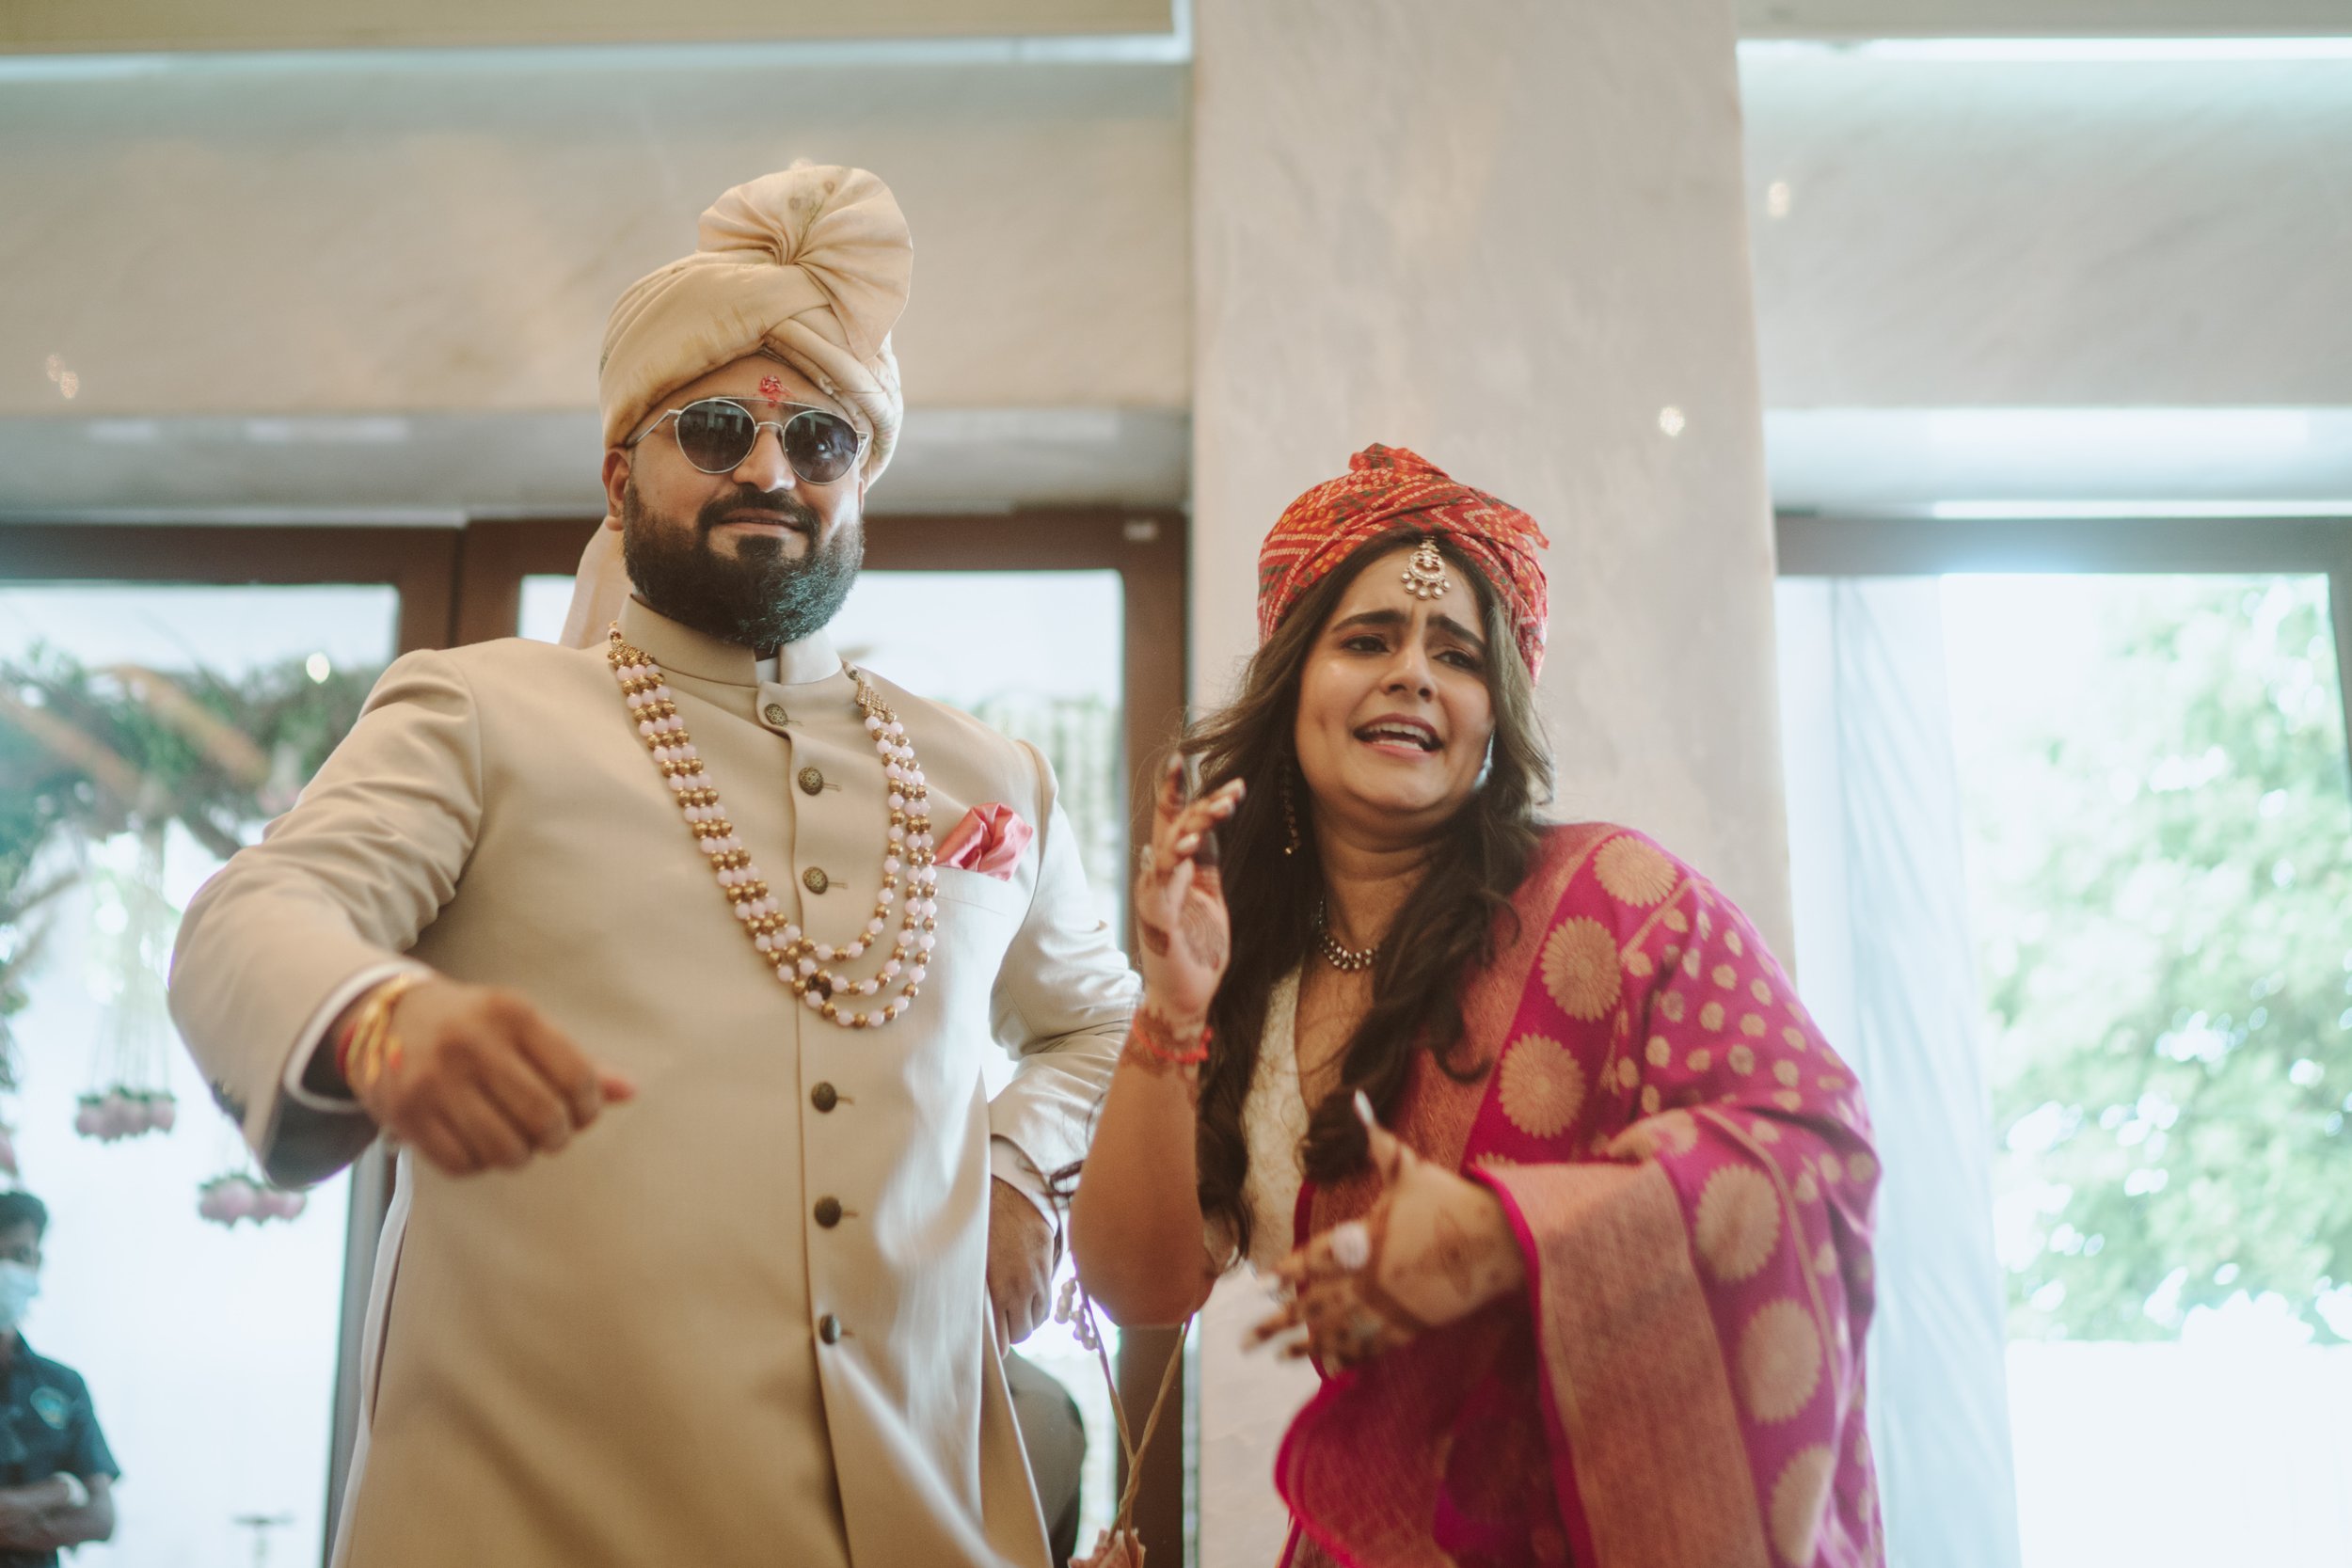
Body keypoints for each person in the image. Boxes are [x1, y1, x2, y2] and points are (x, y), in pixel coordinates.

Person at [168, 165, 1135, 1568]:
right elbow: (255, 909)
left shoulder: (992, 775)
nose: (770, 470)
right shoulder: (482, 712)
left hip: (921, 1513)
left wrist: (1018, 1160)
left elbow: (1101, 1016)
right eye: (717, 426)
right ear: (621, 473)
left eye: (819, 436)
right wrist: (382, 1019)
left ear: (860, 480)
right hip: (537, 1518)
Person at [1071, 446, 1884, 1567]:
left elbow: (1814, 1150)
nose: (1412, 673)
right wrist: (1169, 1003)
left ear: (1494, 713)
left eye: (1455, 654)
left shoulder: (1619, 909)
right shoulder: (1246, 969)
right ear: (1291, 682)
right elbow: (1143, 1283)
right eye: (1367, 639)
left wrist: (1509, 1237)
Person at [0, 1193, 117, 1567]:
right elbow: (83, 1499)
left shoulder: (63, 1386)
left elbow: (102, 1517)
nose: (7, 1269)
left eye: (20, 1255)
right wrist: (62, 1490)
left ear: (38, 1264)